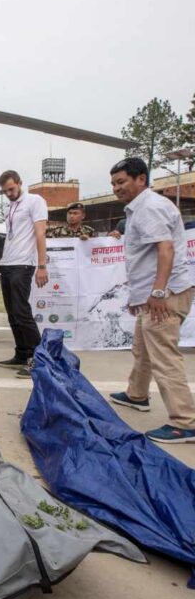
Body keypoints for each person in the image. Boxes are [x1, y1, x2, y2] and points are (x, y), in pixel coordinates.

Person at [107, 157, 195, 444]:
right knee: (142, 347)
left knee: (164, 358)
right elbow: (145, 256)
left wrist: (158, 292)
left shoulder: (149, 207)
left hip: (164, 295)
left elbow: (165, 250)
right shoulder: (141, 208)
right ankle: (137, 395)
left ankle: (184, 422)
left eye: (121, 182)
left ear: (141, 179)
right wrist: (141, 295)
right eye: (113, 183)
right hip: (153, 293)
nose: (116, 188)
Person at [0, 170, 49, 378]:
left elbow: (40, 233)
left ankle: (39, 360)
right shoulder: (10, 207)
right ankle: (22, 353)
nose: (9, 194)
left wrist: (42, 266)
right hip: (7, 263)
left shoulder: (35, 201)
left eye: (11, 189)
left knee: (21, 312)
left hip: (23, 264)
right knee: (12, 313)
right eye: (5, 191)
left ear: (20, 183)